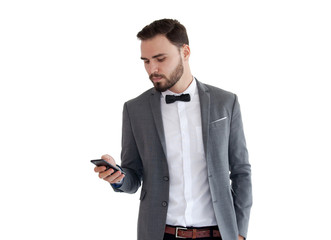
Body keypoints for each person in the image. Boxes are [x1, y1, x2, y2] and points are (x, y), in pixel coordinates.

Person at [93, 19, 252, 240]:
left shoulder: (225, 102)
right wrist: (118, 177)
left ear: (185, 52)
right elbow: (133, 178)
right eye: (146, 61)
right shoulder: (134, 109)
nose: (152, 69)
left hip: (220, 234)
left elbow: (241, 171)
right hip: (161, 234)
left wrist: (240, 233)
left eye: (160, 59)